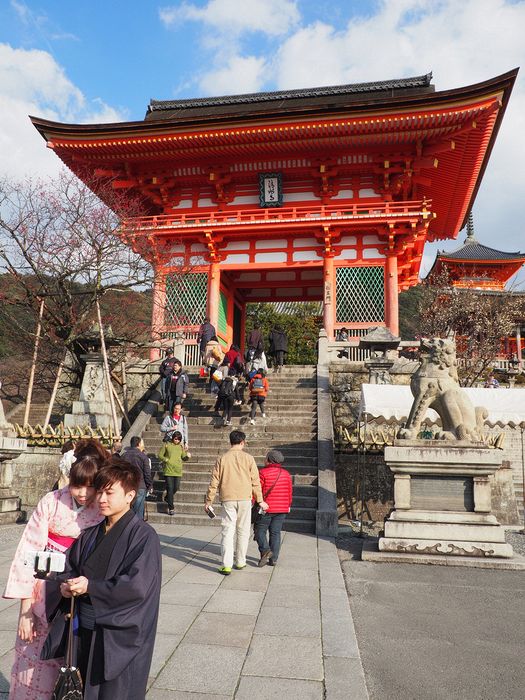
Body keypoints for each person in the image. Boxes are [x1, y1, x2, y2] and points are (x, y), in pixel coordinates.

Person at [42, 458, 162, 700]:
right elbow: (68, 567)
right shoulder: (90, 534)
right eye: (101, 492)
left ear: (130, 496)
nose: (102, 499)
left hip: (117, 634)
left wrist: (91, 587)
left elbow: (136, 587)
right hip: (84, 629)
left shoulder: (144, 537)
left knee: (114, 692)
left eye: (110, 493)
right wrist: (65, 587)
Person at [3, 444, 107, 699]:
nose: (83, 494)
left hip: (77, 592)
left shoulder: (101, 510)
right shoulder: (51, 502)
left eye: (91, 486)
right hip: (42, 589)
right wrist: (25, 608)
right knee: (33, 653)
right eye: (77, 484)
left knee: (69, 658)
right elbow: (28, 553)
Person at [204, 430, 267, 575]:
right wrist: (260, 500)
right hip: (245, 498)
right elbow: (255, 482)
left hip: (228, 498)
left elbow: (214, 481)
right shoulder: (249, 458)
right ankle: (240, 561)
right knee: (243, 530)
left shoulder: (222, 458)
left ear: (230, 441)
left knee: (228, 530)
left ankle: (226, 564)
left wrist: (209, 500)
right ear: (243, 442)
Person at [254, 449, 293, 567]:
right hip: (282, 508)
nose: (264, 459)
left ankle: (265, 551)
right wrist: (288, 505)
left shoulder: (263, 473)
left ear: (269, 460)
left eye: (266, 457)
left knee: (259, 530)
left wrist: (255, 501)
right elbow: (289, 492)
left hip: (266, 508)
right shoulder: (286, 474)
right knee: (275, 533)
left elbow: (257, 490)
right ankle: (273, 559)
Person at [158, 431, 191, 516]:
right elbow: (160, 455)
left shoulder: (181, 447)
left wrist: (187, 456)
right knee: (170, 488)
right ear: (173, 438)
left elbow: (183, 457)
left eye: (179, 439)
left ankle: (167, 498)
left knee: (176, 487)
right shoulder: (167, 445)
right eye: (175, 439)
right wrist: (166, 460)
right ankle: (171, 508)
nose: (177, 440)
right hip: (168, 471)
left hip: (178, 471)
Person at [121, 436, 152, 520]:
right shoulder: (143, 457)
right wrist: (149, 486)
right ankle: (137, 530)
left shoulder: (124, 455)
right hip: (140, 486)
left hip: (127, 485)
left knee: (127, 510)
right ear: (138, 444)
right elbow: (147, 473)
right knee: (138, 511)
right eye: (142, 443)